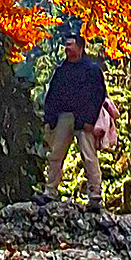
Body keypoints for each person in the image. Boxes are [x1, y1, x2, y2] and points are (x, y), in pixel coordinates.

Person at [38, 27, 107, 211]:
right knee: (55, 155)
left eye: (70, 44)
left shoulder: (91, 70)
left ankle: (95, 195)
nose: (66, 48)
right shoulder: (62, 71)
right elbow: (52, 96)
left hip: (83, 120)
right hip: (63, 117)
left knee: (89, 157)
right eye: (66, 45)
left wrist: (89, 120)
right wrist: (50, 118)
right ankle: (50, 191)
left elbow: (98, 96)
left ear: (80, 47)